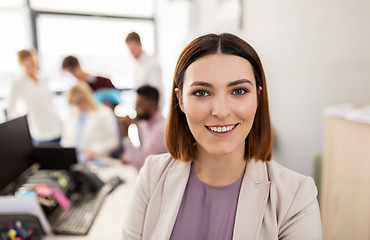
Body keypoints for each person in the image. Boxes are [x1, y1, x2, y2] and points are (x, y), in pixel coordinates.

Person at [122, 33, 322, 239]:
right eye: (201, 92)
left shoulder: (297, 196)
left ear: (258, 97)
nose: (221, 111)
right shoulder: (152, 176)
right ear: (180, 100)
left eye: (239, 91)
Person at [7, 49, 61, 145]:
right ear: (21, 65)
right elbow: (10, 109)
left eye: (33, 63)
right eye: (27, 65)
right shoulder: (18, 83)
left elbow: (50, 103)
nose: (31, 67)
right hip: (38, 131)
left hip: (56, 127)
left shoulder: (43, 78)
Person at [61, 82, 120, 162]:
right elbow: (65, 141)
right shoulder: (71, 116)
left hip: (99, 159)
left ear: (87, 98)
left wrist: (95, 150)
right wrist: (70, 151)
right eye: (74, 103)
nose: (78, 106)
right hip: (76, 161)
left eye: (79, 101)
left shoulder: (104, 112)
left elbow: (113, 141)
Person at [120, 85, 167, 170]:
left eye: (139, 105)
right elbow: (140, 154)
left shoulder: (161, 129)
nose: (136, 109)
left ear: (152, 106)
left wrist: (126, 133)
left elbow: (142, 163)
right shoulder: (144, 124)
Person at [125, 32, 164, 108]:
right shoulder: (137, 65)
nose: (132, 53)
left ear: (140, 45)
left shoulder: (152, 64)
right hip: (142, 109)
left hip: (151, 111)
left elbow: (158, 92)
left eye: (133, 49)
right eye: (129, 50)